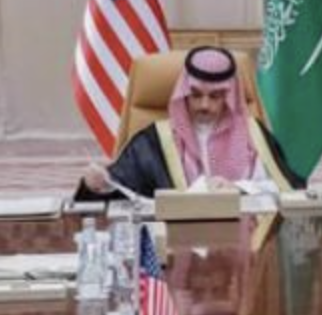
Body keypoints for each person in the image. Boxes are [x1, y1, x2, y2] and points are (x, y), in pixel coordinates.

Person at [76, 46, 304, 200]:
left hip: (242, 238)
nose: (204, 105)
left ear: (229, 96)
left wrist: (239, 188)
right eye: (195, 95)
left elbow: (286, 189)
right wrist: (96, 184)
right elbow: (119, 188)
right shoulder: (155, 140)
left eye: (214, 97)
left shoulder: (254, 135)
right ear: (183, 93)